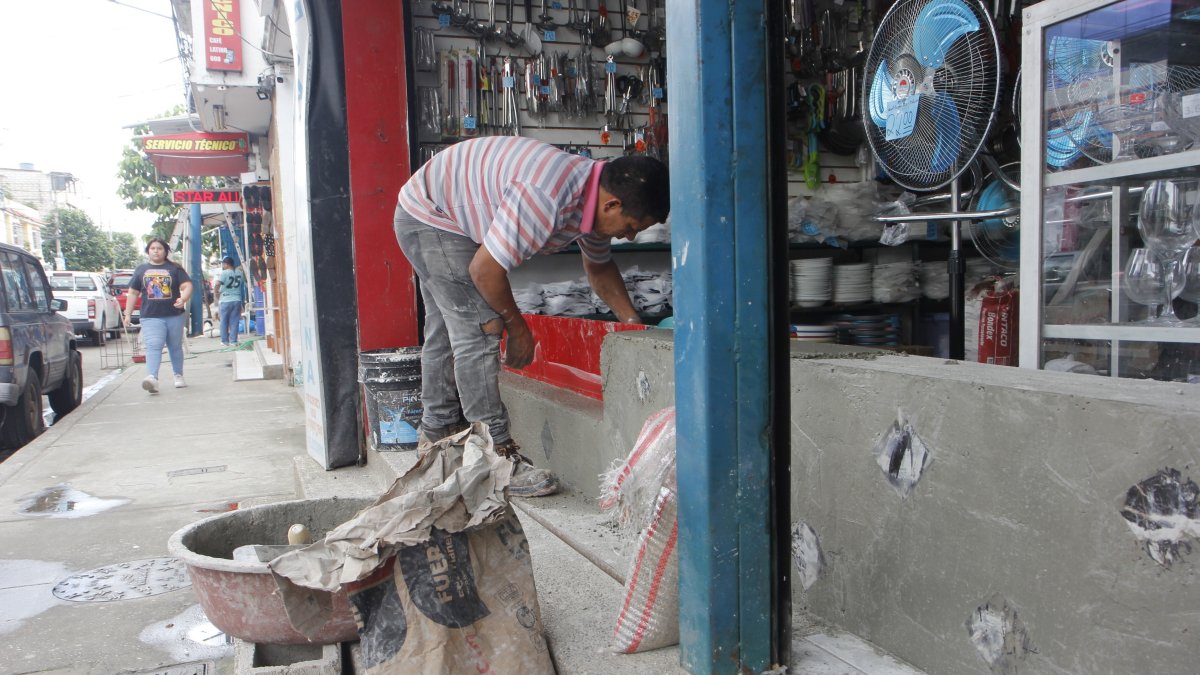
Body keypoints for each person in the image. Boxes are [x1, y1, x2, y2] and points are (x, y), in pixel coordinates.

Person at [394, 136, 670, 497]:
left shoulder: (592, 198)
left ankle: (437, 440)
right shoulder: (548, 198)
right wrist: (517, 326)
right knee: (482, 327)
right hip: (432, 217)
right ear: (612, 203)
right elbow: (485, 270)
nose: (630, 235)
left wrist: (634, 326)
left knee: (447, 331)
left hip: (437, 208)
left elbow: (600, 270)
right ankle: (495, 459)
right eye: (632, 225)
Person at [124, 238, 193, 393]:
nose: (156, 251)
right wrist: (127, 314)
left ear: (165, 251)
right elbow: (133, 292)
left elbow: (187, 285)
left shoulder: (175, 269)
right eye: (153, 248)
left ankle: (178, 375)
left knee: (175, 346)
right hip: (150, 315)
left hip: (174, 315)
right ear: (148, 251)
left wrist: (183, 299)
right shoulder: (141, 270)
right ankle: (152, 378)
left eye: (159, 248)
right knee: (153, 346)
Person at [215, 256, 246, 347]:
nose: (223, 266)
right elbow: (243, 282)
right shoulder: (239, 273)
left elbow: (217, 284)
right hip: (237, 300)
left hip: (225, 300)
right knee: (234, 321)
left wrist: (216, 292)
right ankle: (233, 341)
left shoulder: (224, 273)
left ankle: (224, 341)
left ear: (227, 264)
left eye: (223, 264)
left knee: (224, 321)